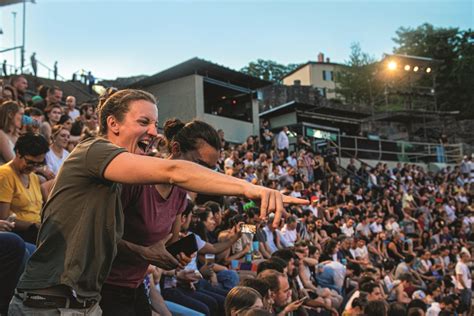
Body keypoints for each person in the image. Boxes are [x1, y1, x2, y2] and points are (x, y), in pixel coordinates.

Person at [9, 89, 307, 315]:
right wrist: (249, 188)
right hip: (49, 303)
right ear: (112, 123)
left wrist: (157, 255)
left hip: (87, 304)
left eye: (155, 123)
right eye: (143, 121)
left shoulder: (115, 180)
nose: (154, 131)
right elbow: (173, 170)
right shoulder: (94, 150)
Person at [0, 133, 50, 244]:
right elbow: (4, 218)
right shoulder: (5, 175)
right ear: (18, 153)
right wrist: (34, 226)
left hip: (37, 231)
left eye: (39, 164)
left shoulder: (32, 176)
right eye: (30, 162)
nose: (33, 167)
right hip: (18, 235)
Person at [455, 250, 472, 315]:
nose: (468, 258)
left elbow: (467, 276)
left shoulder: (464, 265)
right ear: (463, 257)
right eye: (467, 257)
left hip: (468, 287)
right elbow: (459, 277)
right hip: (463, 288)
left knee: (468, 305)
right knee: (464, 305)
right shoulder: (459, 265)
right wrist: (465, 287)